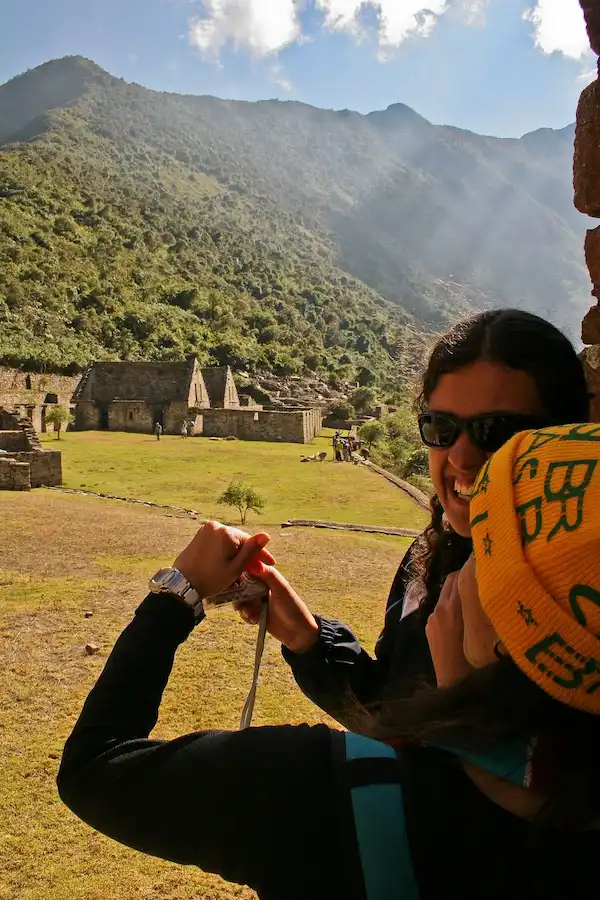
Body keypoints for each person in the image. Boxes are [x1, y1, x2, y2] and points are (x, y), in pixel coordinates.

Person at [57, 424, 600, 899]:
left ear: (503, 628)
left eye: (487, 544)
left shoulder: (318, 791)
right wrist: (311, 641)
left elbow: (93, 769)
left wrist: (177, 594)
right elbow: (407, 724)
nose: (457, 569)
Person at [238, 309, 591, 727]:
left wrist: (464, 698)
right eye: (441, 427)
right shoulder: (427, 558)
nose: (461, 457)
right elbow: (390, 709)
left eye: (497, 431)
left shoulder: (580, 596)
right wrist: (308, 639)